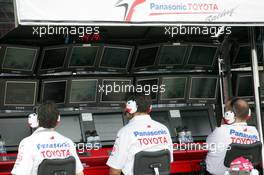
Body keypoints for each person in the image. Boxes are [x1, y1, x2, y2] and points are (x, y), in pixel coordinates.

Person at [106, 93, 173, 175]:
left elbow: (115, 171)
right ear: (150, 108)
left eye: (125, 106)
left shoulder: (125, 132)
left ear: (130, 108)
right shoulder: (164, 129)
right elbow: (168, 161)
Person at [11, 102, 84, 175]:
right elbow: (79, 173)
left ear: (36, 120)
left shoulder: (27, 143)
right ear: (58, 120)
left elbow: (18, 173)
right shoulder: (68, 143)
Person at [205, 98, 259, 175]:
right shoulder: (254, 132)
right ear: (248, 113)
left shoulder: (221, 131)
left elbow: (207, 146)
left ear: (229, 114)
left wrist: (222, 125)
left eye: (226, 110)